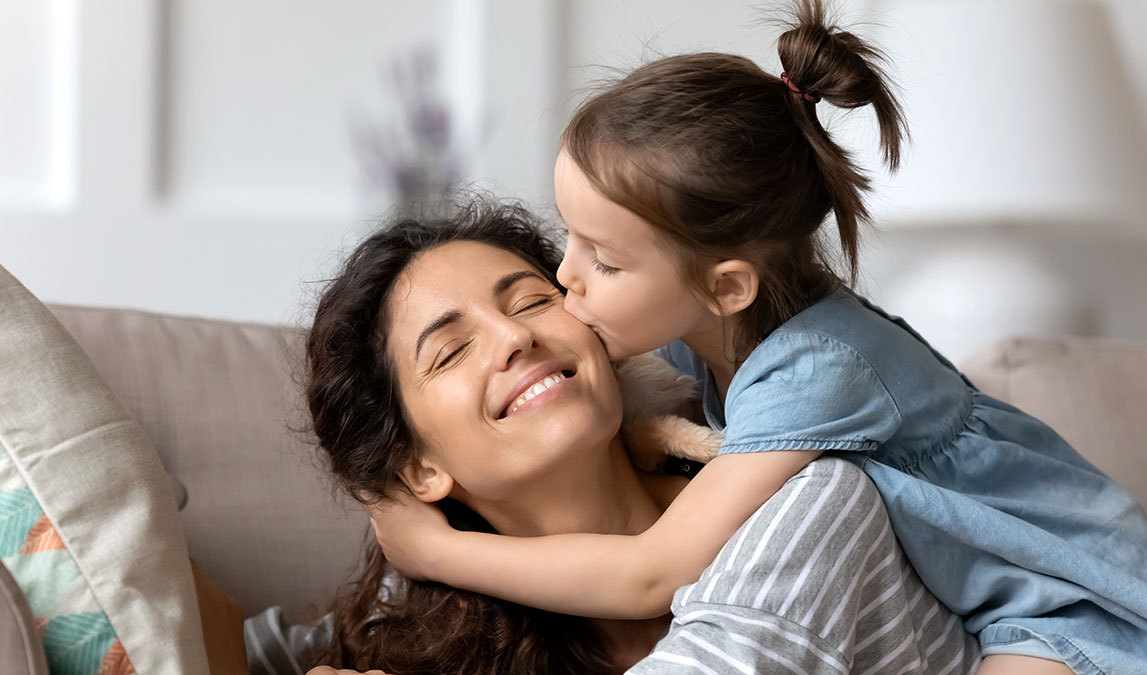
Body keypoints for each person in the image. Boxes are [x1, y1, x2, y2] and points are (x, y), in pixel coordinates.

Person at [368, 2, 1147, 673]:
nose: (565, 280)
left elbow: (654, 571)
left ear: (726, 285)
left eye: (606, 262)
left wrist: (437, 553)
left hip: (1077, 612)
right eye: (570, 240)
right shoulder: (715, 330)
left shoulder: (820, 369)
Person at [294, 199, 977, 674]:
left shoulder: (804, 502)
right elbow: (219, 632)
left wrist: (444, 549)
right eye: (450, 351)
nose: (514, 336)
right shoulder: (432, 628)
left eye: (532, 299)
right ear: (418, 470)